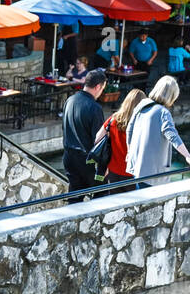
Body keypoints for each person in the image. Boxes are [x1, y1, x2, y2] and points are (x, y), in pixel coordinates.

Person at [125, 75, 190, 180]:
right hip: (153, 173)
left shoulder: (141, 105)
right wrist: (189, 157)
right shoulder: (163, 113)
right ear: (172, 96)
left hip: (137, 167)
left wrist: (130, 152)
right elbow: (173, 136)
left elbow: (129, 130)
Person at [62, 68, 107, 199]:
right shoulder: (95, 108)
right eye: (103, 88)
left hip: (69, 157)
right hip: (87, 162)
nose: (101, 92)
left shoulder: (70, 100)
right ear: (98, 86)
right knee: (102, 192)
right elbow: (98, 140)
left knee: (74, 196)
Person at [92, 88, 144, 188]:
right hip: (132, 173)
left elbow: (97, 139)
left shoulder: (113, 119)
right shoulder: (141, 124)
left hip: (113, 171)